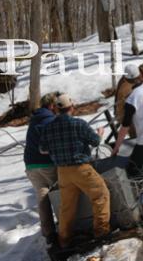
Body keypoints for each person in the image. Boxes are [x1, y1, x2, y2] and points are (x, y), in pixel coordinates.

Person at [39, 93, 111, 248]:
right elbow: (95, 141)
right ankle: (101, 233)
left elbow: (43, 149)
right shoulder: (79, 124)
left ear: (56, 110)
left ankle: (64, 239)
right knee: (100, 195)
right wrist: (99, 133)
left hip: (63, 172)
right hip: (81, 169)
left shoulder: (48, 128)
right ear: (71, 107)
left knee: (67, 207)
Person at [24, 92, 59, 247]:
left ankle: (49, 233)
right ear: (52, 105)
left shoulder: (34, 120)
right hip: (47, 164)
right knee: (60, 193)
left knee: (42, 196)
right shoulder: (51, 120)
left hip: (31, 165)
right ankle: (66, 227)